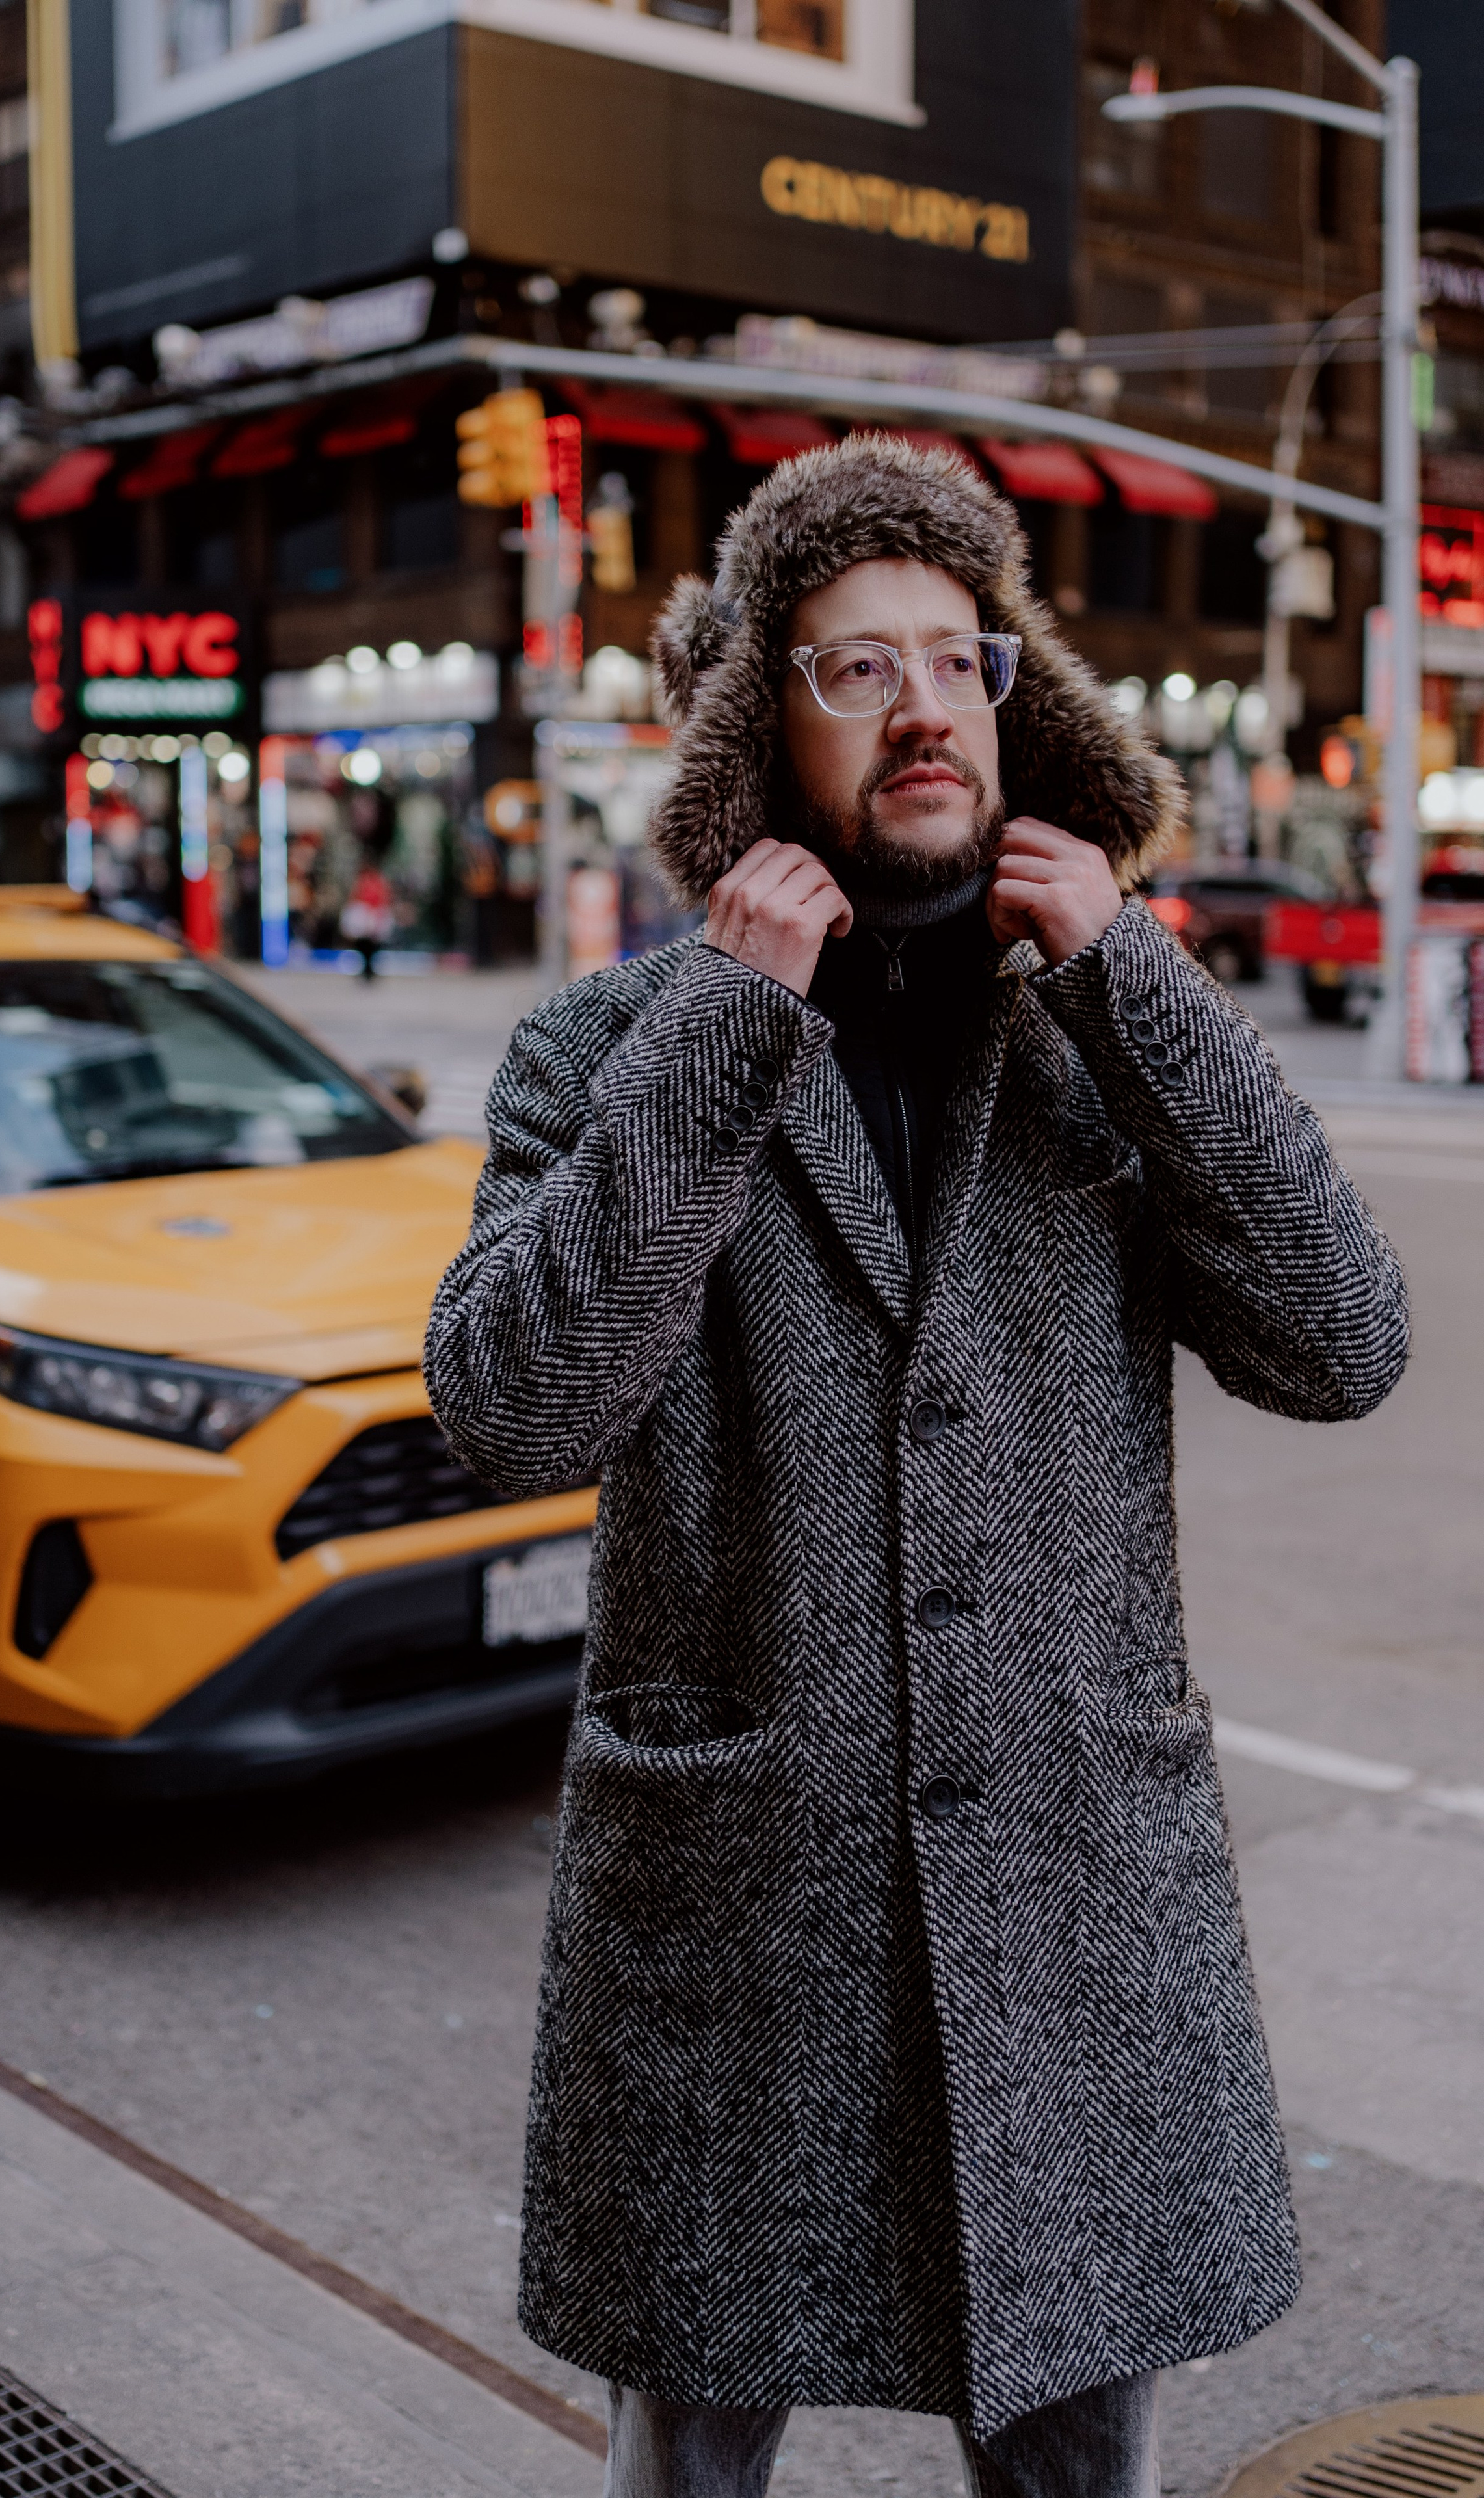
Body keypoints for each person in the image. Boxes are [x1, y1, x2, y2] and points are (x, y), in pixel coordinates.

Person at [423, 436, 1408, 2498]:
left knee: (1079, 2478)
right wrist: (724, 1026)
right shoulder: (616, 1045)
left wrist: (1139, 977)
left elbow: (1345, 1343)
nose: (925, 702)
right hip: (739, 1925)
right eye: (855, 667)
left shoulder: (1091, 1026)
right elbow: (513, 1401)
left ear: (1013, 695)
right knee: (689, 2472)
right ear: (757, 726)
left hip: (1069, 1918)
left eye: (956, 657)